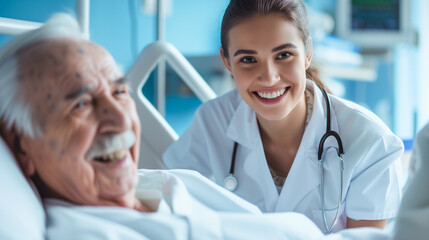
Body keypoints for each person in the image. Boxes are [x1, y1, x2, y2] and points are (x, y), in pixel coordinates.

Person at [0, 13, 330, 240]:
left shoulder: (164, 185)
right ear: (21, 145)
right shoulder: (87, 231)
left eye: (119, 92)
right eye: (81, 104)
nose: (120, 120)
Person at [163, 0, 404, 233]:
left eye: (283, 55)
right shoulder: (212, 121)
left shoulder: (371, 143)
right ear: (227, 62)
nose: (269, 77)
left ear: (307, 52)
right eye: (248, 60)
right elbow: (161, 201)